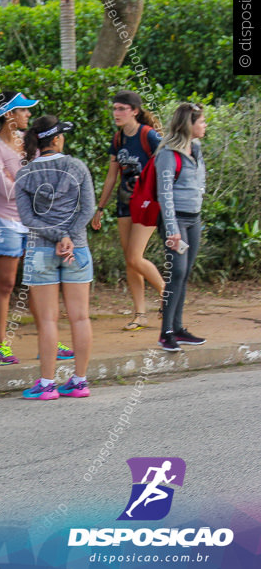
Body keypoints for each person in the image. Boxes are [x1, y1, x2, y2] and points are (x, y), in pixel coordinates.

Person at [14, 117, 96, 400]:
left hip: (41, 251)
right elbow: (89, 209)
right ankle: (80, 381)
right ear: (58, 139)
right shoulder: (77, 167)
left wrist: (57, 236)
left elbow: (28, 218)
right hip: (78, 249)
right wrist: (69, 236)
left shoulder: (24, 174)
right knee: (80, 317)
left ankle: (47, 384)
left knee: (48, 321)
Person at [90, 91, 165, 332]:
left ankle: (168, 295)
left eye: (122, 108)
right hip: (125, 204)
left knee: (135, 256)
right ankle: (140, 314)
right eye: (114, 109)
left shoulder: (149, 135)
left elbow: (165, 167)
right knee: (130, 262)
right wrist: (100, 208)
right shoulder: (118, 138)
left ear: (134, 110)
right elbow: (112, 175)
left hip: (147, 203)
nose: (116, 113)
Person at [0, 91, 40, 366]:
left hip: (31, 222)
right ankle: (1, 347)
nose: (28, 115)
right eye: (23, 110)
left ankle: (48, 341)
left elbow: (40, 181)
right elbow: (4, 190)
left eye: (28, 111)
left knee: (39, 283)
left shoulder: (30, 141)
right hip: (1, 221)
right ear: (8, 115)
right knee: (6, 284)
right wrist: (25, 182)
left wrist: (18, 179)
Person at [155, 103, 208, 352]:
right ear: (189, 124)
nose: (204, 125)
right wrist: (172, 228)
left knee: (185, 274)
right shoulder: (167, 153)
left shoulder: (195, 149)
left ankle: (177, 327)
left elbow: (201, 179)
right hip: (175, 220)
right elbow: (164, 193)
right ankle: (165, 332)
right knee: (175, 272)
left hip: (193, 218)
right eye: (202, 121)